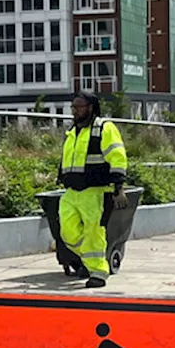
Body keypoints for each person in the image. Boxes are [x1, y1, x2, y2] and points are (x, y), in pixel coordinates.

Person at [58, 90, 129, 289]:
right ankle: (91, 259)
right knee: (67, 232)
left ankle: (98, 273)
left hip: (96, 192)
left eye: (79, 107)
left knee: (94, 232)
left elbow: (117, 157)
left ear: (91, 107)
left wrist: (118, 187)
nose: (75, 111)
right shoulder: (74, 131)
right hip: (72, 192)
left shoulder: (104, 128)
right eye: (73, 107)